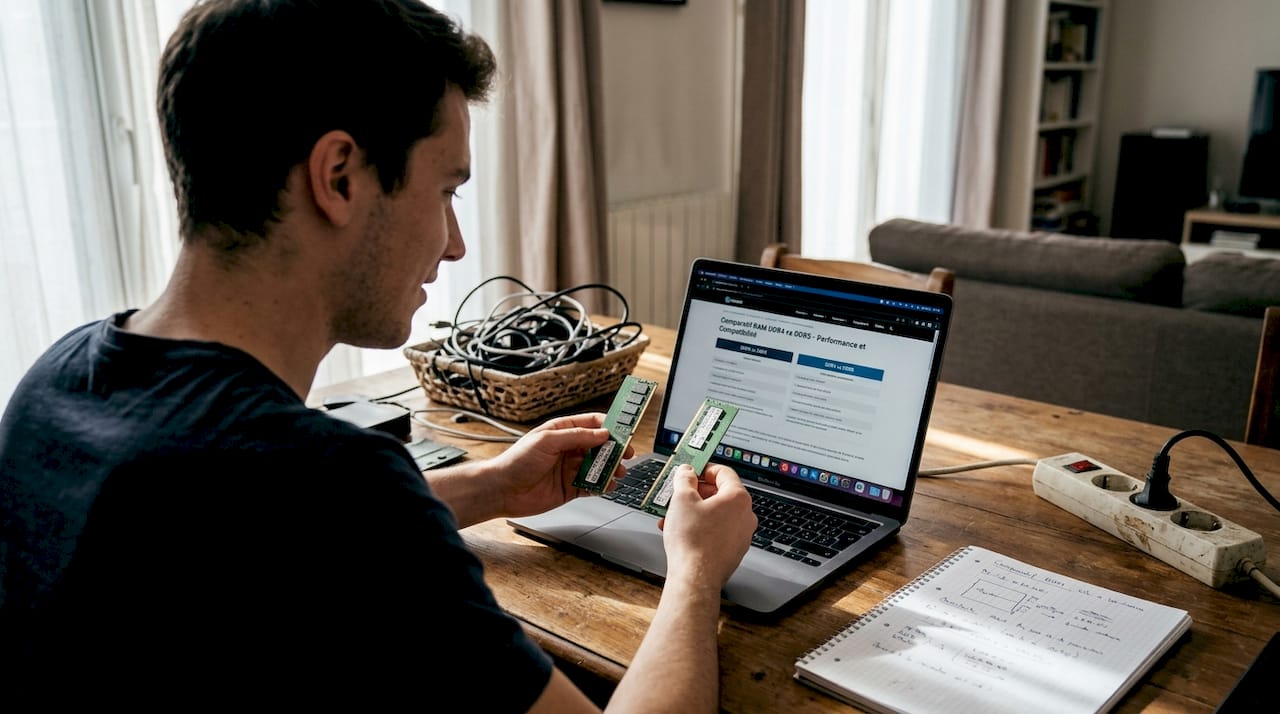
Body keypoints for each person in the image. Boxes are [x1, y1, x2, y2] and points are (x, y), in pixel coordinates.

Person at [0, 0, 757, 709]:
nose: (454, 242)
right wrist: (695, 572)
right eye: (447, 191)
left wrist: (491, 485)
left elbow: (258, 541)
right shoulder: (331, 487)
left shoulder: (55, 383)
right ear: (339, 177)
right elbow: (323, 517)